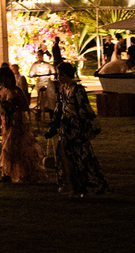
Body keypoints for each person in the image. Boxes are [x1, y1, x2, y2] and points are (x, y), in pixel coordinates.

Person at [46, 62, 107, 197]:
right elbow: (59, 108)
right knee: (62, 154)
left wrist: (91, 127)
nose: (59, 77)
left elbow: (84, 109)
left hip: (76, 128)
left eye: (60, 74)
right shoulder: (62, 89)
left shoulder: (77, 90)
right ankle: (69, 184)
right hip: (65, 127)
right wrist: (54, 125)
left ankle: (80, 184)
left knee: (78, 156)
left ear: (67, 74)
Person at [0, 66, 45, 184]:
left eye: (5, 80)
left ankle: (14, 174)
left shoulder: (17, 91)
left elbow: (25, 107)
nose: (3, 83)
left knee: (12, 147)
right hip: (6, 122)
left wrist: (12, 107)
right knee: (7, 147)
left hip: (16, 122)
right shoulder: (2, 89)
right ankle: (6, 173)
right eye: (1, 81)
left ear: (10, 78)